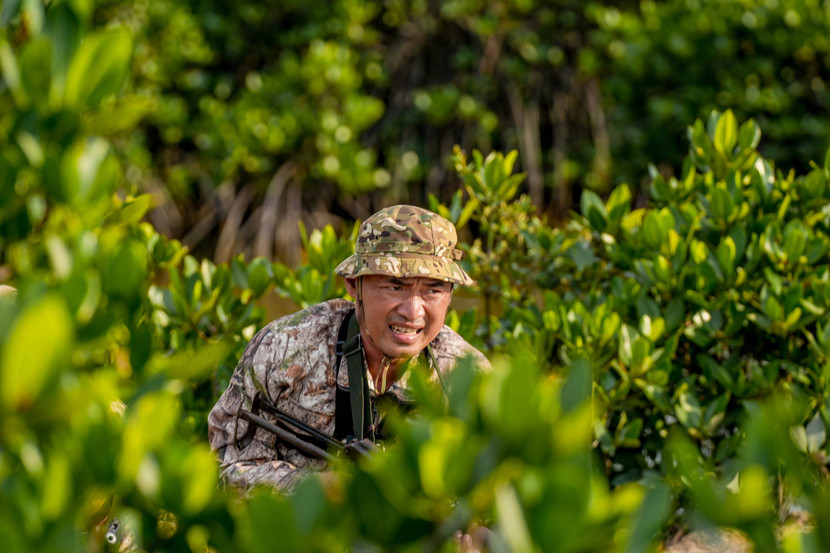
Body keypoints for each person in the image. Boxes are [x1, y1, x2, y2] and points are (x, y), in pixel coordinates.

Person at [208, 204, 490, 492]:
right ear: (354, 285)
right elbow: (225, 471)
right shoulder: (282, 349)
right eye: (395, 286)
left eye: (433, 289)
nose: (413, 311)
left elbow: (498, 493)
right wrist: (322, 491)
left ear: (450, 295)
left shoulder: (469, 376)